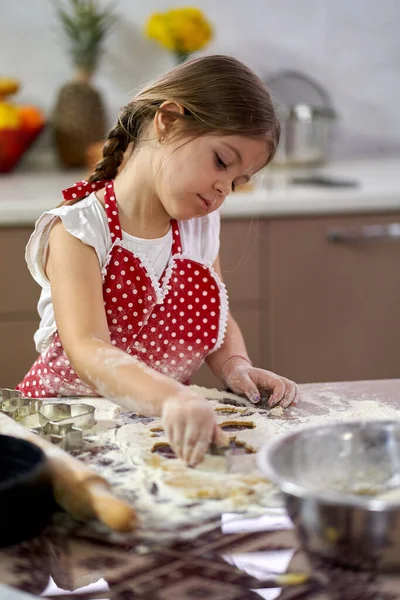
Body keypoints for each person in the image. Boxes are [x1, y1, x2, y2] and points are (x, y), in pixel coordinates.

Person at [17, 55, 298, 467]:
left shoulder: (200, 227)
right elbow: (88, 347)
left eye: (238, 182)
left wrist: (236, 365)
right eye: (221, 162)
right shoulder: (80, 228)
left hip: (149, 431)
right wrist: (170, 398)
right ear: (168, 121)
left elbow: (217, 317)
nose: (224, 188)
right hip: (66, 433)